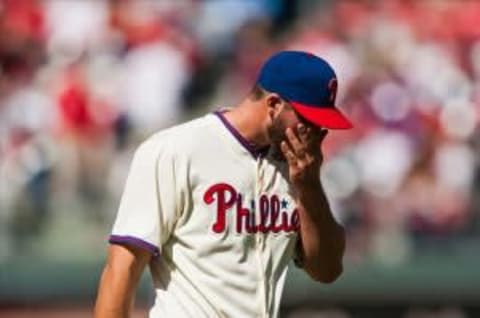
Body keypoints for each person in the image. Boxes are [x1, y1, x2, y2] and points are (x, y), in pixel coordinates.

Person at [94, 51, 352, 318]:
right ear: (274, 105)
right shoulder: (175, 150)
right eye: (309, 120)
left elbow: (327, 269)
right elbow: (122, 268)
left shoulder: (299, 170)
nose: (317, 132)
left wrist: (309, 187)